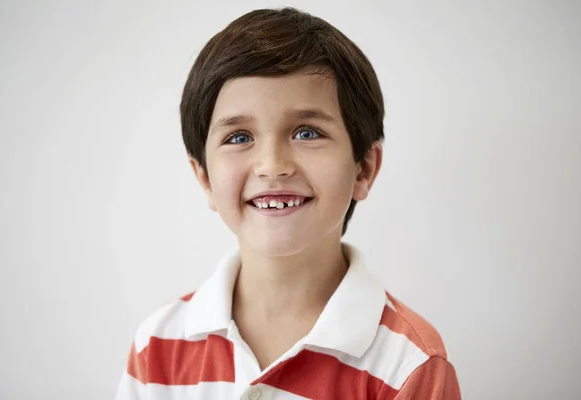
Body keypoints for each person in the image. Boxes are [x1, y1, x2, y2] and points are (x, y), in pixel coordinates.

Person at [115, 7, 461, 400]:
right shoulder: (157, 345)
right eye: (240, 137)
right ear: (205, 178)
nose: (272, 166)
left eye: (307, 132)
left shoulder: (409, 364)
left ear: (363, 168)